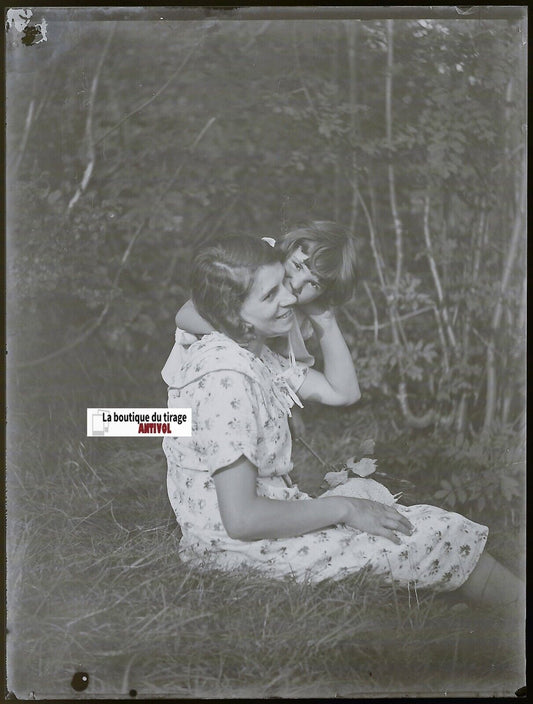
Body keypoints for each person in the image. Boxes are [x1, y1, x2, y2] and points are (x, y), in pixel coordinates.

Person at [162, 235, 523, 607]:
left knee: (381, 504)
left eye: (292, 286)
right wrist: (345, 510)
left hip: (239, 517)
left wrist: (324, 319)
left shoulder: (255, 353)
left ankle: (465, 603)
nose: (292, 296)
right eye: (274, 293)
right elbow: (241, 518)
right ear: (233, 314)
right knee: (435, 532)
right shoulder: (228, 374)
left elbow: (344, 392)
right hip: (241, 550)